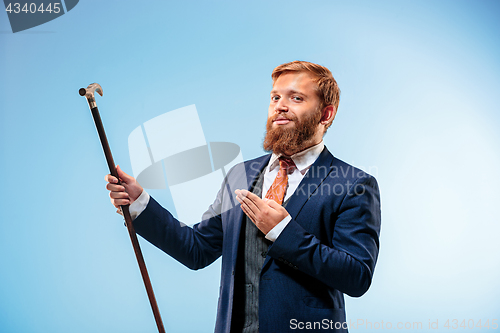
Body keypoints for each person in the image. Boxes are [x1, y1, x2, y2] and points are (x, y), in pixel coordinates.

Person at [105, 61, 381, 333]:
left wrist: (283, 231)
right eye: (275, 97)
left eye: (296, 98)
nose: (280, 106)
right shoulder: (241, 174)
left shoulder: (353, 184)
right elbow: (196, 249)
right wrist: (140, 203)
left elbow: (356, 276)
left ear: (326, 114)